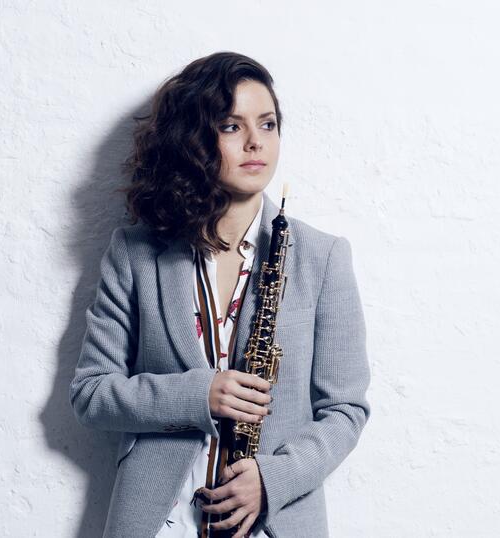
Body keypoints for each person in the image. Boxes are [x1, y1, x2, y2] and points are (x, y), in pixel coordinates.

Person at [69, 51, 371, 538]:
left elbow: (346, 410)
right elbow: (92, 394)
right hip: (158, 523)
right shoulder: (137, 252)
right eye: (232, 126)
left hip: (272, 522)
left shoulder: (323, 257)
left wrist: (273, 479)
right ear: (193, 140)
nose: (256, 142)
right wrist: (198, 394)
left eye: (268, 124)